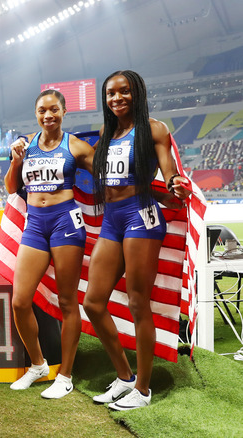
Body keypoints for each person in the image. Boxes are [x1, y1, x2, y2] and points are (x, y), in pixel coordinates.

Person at [83, 70, 190, 411]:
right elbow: (87, 163)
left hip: (141, 217)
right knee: (93, 303)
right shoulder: (107, 132)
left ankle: (142, 390)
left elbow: (169, 171)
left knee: (137, 303)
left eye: (124, 92)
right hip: (112, 220)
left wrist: (175, 184)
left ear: (137, 93)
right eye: (111, 94)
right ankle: (126, 377)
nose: (116, 98)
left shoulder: (154, 130)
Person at [3, 89, 95, 399]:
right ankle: (39, 365)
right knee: (19, 300)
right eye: (42, 110)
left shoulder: (76, 146)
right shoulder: (25, 145)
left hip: (65, 223)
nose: (48, 115)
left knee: (68, 302)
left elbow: (107, 177)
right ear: (36, 113)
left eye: (54, 109)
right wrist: (16, 160)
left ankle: (65, 376)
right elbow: (12, 187)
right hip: (35, 224)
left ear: (64, 111)